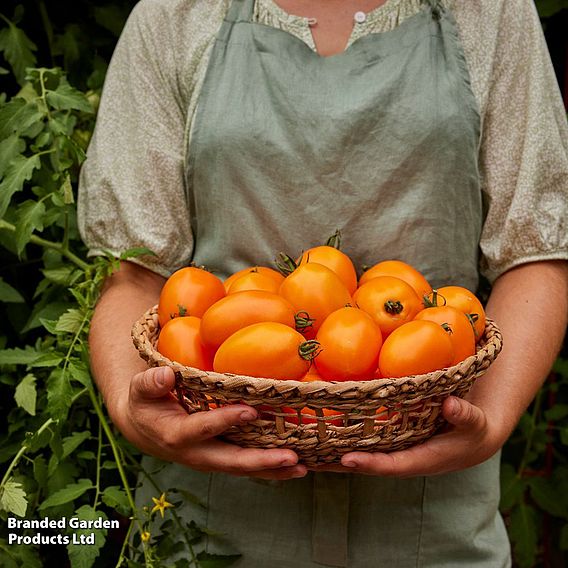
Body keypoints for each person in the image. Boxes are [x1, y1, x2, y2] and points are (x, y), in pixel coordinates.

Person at [78, 0, 568, 565]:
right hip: (208, 526)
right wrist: (131, 409)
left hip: (433, 529)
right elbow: (133, 270)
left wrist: (491, 421)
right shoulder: (173, 15)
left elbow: (535, 251)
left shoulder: (494, 12)